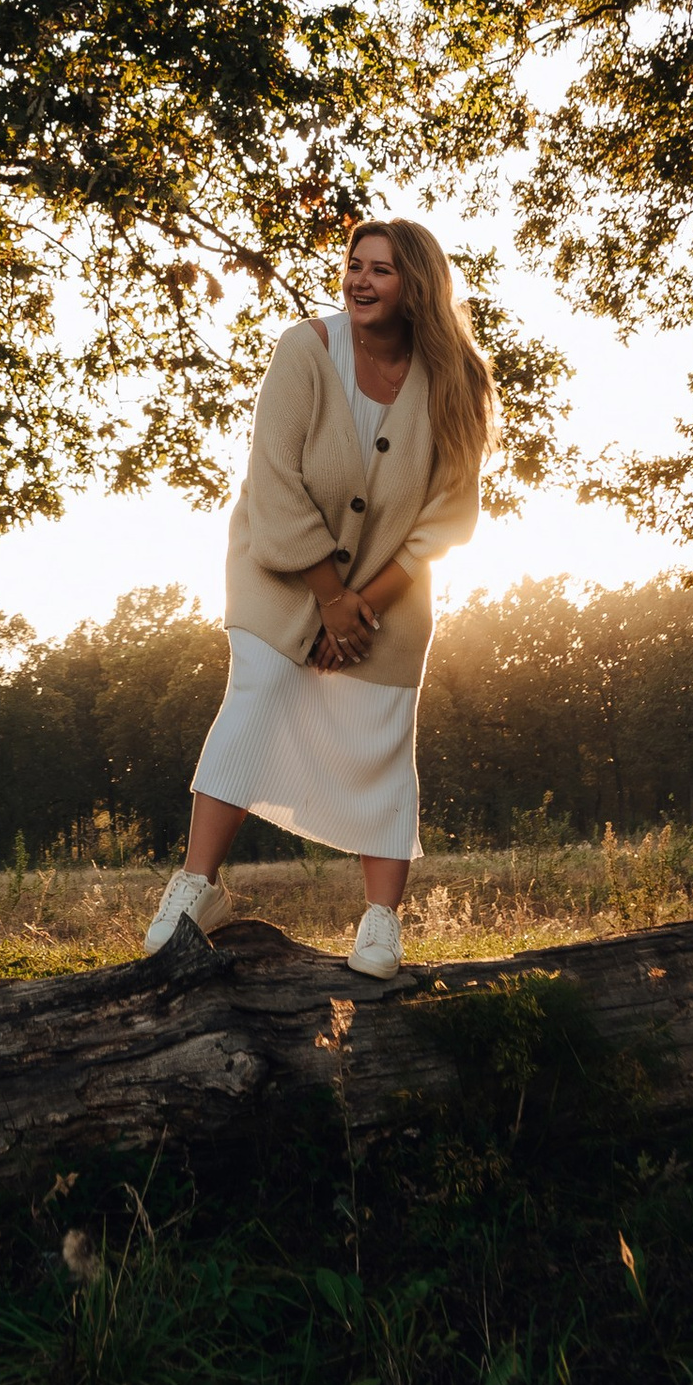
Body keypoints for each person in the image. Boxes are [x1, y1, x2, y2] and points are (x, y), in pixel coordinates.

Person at [144, 217, 491, 980]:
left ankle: (380, 924)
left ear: (418, 287)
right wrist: (328, 596)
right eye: (354, 265)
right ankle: (195, 890)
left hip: (389, 596)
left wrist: (360, 605)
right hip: (280, 574)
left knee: (379, 732)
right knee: (258, 694)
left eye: (382, 271)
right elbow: (274, 481)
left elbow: (447, 517)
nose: (360, 281)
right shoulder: (305, 349)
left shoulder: (459, 379)